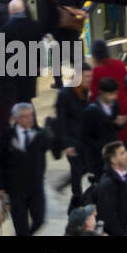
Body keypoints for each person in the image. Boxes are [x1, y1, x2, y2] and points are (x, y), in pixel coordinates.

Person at [0, 101, 50, 235]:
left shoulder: (40, 134)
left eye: (31, 115)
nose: (29, 119)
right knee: (21, 227)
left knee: (39, 220)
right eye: (25, 116)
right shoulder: (5, 137)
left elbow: (52, 146)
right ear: (16, 118)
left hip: (36, 188)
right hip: (15, 190)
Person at [89, 41, 127, 145]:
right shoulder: (121, 64)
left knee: (113, 147)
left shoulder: (96, 71)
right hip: (125, 109)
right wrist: (122, 96)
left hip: (108, 115)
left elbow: (95, 96)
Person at [53, 80, 90, 208]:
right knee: (76, 168)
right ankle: (77, 198)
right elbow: (61, 120)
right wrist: (66, 143)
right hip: (71, 139)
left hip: (83, 138)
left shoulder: (84, 91)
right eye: (87, 76)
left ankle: (67, 187)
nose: (89, 79)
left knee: (84, 167)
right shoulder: (65, 94)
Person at [81, 77, 125, 180]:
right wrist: (101, 147)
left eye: (115, 94)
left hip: (114, 154)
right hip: (98, 157)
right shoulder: (90, 111)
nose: (114, 97)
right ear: (102, 93)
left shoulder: (115, 105)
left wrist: (119, 124)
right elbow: (84, 136)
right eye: (111, 94)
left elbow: (114, 129)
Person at [95, 141, 127, 236]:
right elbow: (107, 216)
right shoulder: (108, 184)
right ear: (114, 160)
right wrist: (121, 233)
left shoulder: (125, 177)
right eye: (122, 153)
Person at [49, 0, 87, 90]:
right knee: (75, 56)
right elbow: (82, 5)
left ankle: (59, 82)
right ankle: (79, 80)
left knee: (56, 56)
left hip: (58, 27)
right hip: (73, 26)